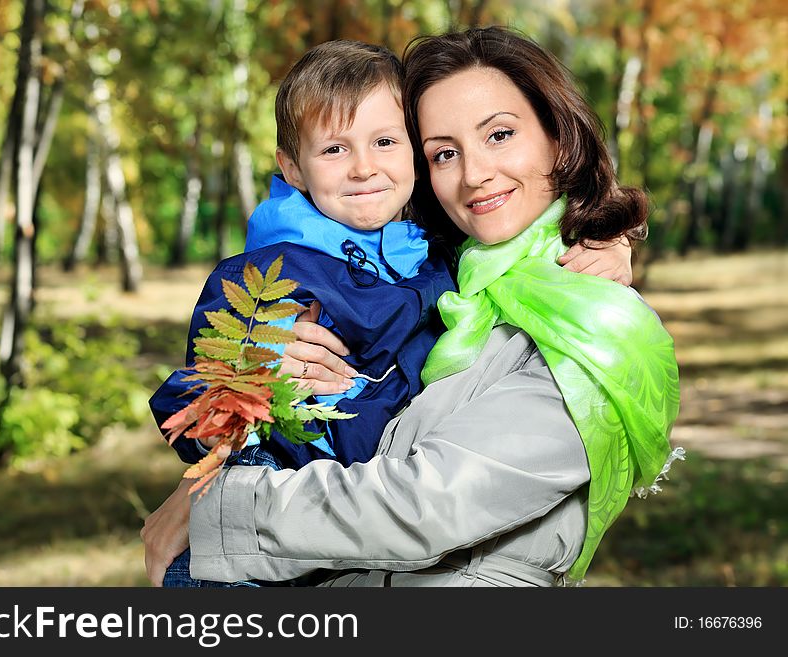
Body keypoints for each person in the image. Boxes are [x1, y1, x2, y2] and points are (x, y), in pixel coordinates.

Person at [142, 27, 668, 587]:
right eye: (445, 152)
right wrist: (241, 406)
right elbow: (216, 393)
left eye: (500, 134)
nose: (473, 173)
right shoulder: (461, 278)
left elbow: (426, 505)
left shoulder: (585, 320)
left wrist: (218, 510)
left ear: (559, 138)